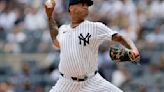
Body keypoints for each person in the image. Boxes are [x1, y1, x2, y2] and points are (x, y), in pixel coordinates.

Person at [45, 0, 140, 92]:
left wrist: (133, 49)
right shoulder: (63, 29)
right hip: (66, 83)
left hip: (92, 81)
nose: (86, 7)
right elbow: (55, 42)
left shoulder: (95, 27)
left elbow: (119, 37)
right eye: (82, 4)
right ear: (72, 8)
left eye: (87, 4)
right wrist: (49, 17)